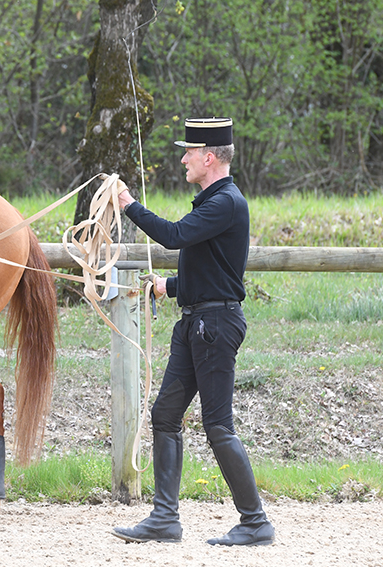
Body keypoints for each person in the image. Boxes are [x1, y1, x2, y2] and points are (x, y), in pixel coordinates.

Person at [109, 117, 275, 547]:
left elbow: (174, 237)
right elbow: (216, 271)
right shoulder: (212, 200)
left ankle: (255, 522)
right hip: (197, 323)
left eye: (188, 152)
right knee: (165, 415)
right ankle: (165, 518)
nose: (183, 159)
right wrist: (170, 287)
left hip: (214, 328)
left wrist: (128, 204)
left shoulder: (225, 202)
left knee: (218, 426)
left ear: (208, 157)